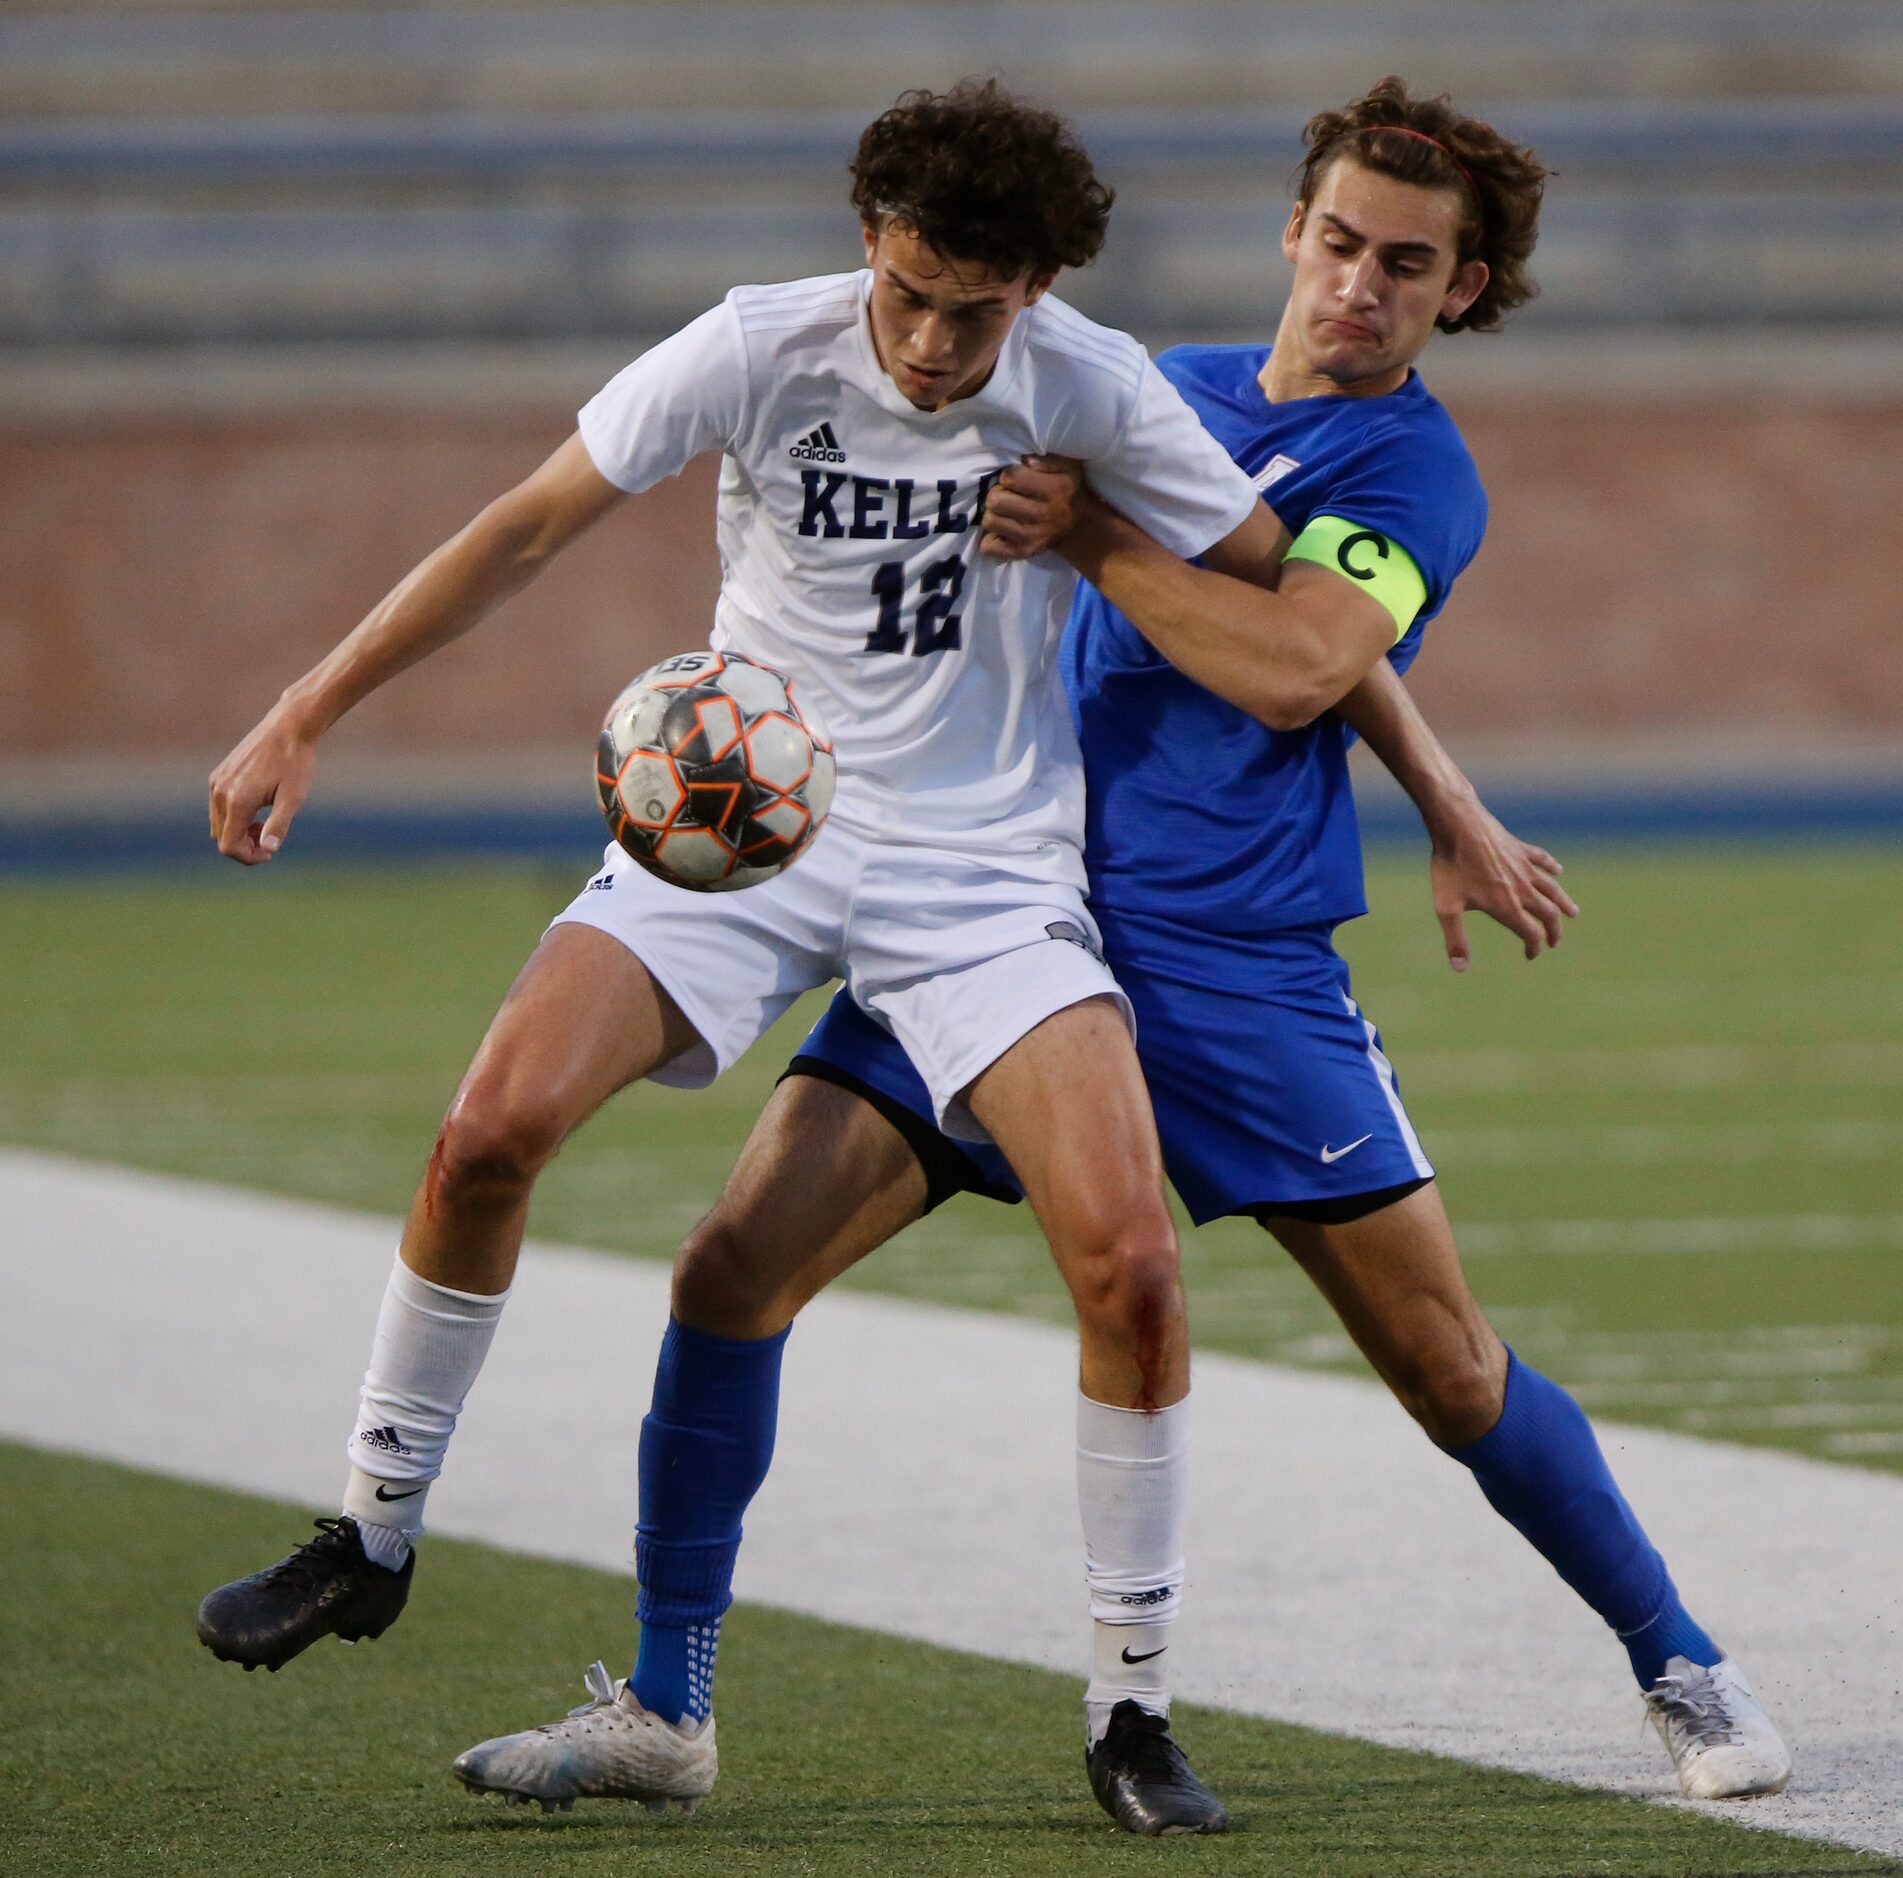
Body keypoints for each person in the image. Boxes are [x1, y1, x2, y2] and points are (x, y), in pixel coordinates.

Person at [452, 76, 1792, 1831]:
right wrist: (1452, 797)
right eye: (1335, 242)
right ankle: (664, 1703)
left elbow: (1308, 658)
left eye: (1407, 263)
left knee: (1446, 1363)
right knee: (729, 1271)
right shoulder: (1158, 384)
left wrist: (1090, 531)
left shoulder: (1412, 467)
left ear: (1463, 290)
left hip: (1235, 965)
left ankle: (1680, 1655)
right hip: (1002, 923)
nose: (1358, 285)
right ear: (1290, 233)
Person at [190, 78, 1347, 1835]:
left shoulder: (1091, 385)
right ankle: (370, 1527)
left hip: (982, 870)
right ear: (867, 245)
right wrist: (301, 710)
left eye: (983, 307)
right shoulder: (756, 348)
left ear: (1038, 286)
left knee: (1130, 1264)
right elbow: (524, 526)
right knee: (487, 1131)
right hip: (747, 825)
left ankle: (1131, 1709)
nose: (941, 341)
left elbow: (1287, 588)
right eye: (913, 294)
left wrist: (1131, 556)